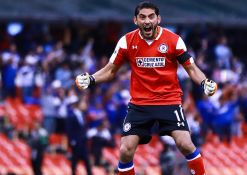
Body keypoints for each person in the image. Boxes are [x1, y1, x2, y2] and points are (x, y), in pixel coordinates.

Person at [75, 1, 217, 175]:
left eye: (151, 16)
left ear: (158, 19)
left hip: (169, 101)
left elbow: (192, 69)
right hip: (140, 104)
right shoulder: (126, 41)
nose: (147, 21)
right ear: (135, 20)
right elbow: (110, 70)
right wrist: (91, 79)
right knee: (125, 150)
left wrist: (205, 82)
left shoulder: (174, 40)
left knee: (185, 144)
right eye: (142, 17)